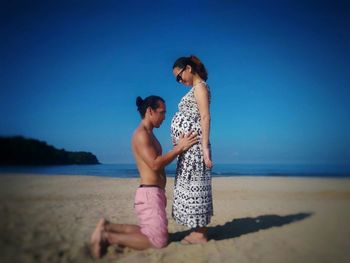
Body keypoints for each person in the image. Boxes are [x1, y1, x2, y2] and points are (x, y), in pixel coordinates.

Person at [90, 95, 198, 258]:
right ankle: (108, 237)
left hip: (153, 193)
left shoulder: (150, 134)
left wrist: (179, 146)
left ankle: (108, 226)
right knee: (158, 241)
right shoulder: (141, 134)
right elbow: (154, 164)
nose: (164, 116)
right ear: (150, 111)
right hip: (149, 194)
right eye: (162, 112)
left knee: (148, 231)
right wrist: (179, 149)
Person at [171, 55, 213, 244]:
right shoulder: (197, 88)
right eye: (176, 79)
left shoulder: (200, 87)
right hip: (189, 148)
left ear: (188, 68)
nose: (179, 81)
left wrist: (204, 149)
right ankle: (197, 231)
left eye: (179, 76)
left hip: (196, 148)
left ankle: (200, 234)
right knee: (191, 188)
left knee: (197, 188)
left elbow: (205, 117)